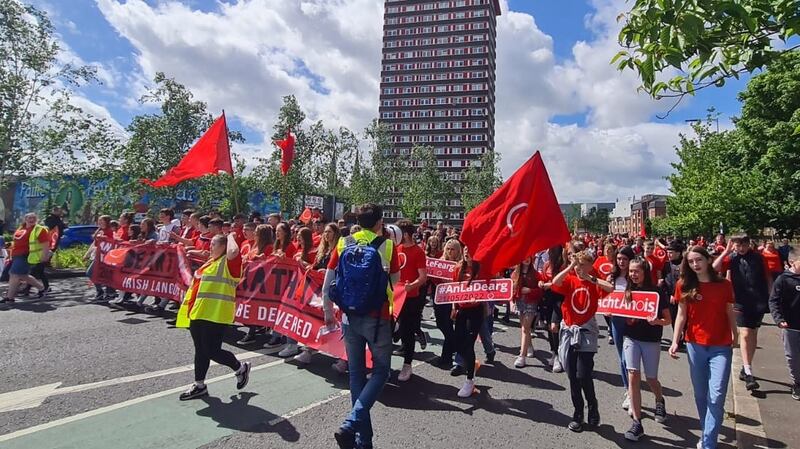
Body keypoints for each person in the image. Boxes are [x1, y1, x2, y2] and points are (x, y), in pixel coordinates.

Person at [322, 204, 399, 449]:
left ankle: (363, 440)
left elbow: (329, 280)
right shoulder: (387, 246)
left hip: (349, 317)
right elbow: (394, 283)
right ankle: (351, 423)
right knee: (381, 372)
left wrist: (327, 310)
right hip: (377, 319)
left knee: (355, 374)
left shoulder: (344, 242)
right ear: (380, 222)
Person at [670, 246, 737, 449]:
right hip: (694, 344)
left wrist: (736, 333)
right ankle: (708, 432)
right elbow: (681, 315)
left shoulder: (724, 285)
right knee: (701, 395)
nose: (695, 264)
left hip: (721, 346)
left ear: (708, 260)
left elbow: (729, 311)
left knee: (716, 396)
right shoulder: (684, 284)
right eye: (691, 262)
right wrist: (675, 341)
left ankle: (708, 443)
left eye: (698, 260)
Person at [175, 233, 251, 400]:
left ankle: (240, 368)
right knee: (200, 351)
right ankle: (199, 385)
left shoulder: (230, 262)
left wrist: (230, 236)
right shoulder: (210, 263)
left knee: (211, 351)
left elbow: (233, 251)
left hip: (217, 314)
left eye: (214, 245)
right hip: (199, 312)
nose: (210, 247)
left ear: (223, 247)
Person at [547, 250, 613, 433]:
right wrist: (569, 266)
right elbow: (555, 282)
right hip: (569, 330)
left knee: (583, 374)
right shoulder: (570, 279)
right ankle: (578, 413)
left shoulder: (594, 280)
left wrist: (591, 278)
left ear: (591, 266)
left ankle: (592, 406)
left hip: (586, 330)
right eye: (578, 264)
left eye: (583, 264)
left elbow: (610, 288)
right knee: (572, 376)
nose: (579, 268)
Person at [713, 235, 772, 391]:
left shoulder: (759, 258)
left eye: (743, 245)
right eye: (737, 245)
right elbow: (714, 267)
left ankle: (747, 367)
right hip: (739, 300)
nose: (741, 248)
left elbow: (768, 278)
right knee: (744, 334)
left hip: (758, 300)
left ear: (748, 244)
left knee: (753, 333)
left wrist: (771, 298)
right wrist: (725, 251)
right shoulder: (731, 258)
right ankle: (748, 372)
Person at [622, 257, 672, 442]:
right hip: (631, 338)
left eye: (637, 271)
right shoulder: (627, 291)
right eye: (631, 271)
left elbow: (668, 319)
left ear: (645, 272)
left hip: (651, 340)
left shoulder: (657, 292)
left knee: (651, 379)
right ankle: (637, 422)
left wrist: (657, 321)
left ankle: (659, 400)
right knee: (633, 375)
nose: (633, 274)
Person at [394, 219, 428, 382]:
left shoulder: (418, 252)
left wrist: (411, 286)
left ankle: (407, 365)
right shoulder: (394, 248)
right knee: (388, 330)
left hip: (410, 299)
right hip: (393, 297)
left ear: (405, 234)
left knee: (407, 333)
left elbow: (423, 277)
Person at [768, 247, 800, 400]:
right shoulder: (784, 279)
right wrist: (779, 319)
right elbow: (774, 301)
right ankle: (797, 383)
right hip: (791, 326)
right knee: (793, 357)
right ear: (792, 261)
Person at [2, 213, 49, 304]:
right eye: (29, 218)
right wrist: (9, 245)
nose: (31, 219)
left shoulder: (39, 229)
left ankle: (9, 297)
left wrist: (45, 255)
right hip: (15, 255)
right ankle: (42, 288)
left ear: (37, 219)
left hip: (26, 255)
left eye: (33, 218)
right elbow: (18, 241)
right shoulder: (21, 228)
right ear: (25, 219)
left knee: (14, 274)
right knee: (22, 275)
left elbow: (45, 244)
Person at [610, 245, 636, 409]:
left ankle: (633, 390)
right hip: (617, 321)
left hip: (633, 321)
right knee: (622, 358)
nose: (621, 262)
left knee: (630, 359)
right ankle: (628, 390)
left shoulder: (635, 277)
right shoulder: (611, 277)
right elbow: (605, 295)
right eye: (619, 259)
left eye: (624, 259)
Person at [432, 239, 462, 370]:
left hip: (452, 299)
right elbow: (433, 278)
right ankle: (456, 346)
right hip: (440, 297)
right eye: (448, 249)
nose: (450, 251)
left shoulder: (460, 264)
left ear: (457, 251)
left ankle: (446, 357)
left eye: (453, 249)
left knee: (448, 326)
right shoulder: (441, 261)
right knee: (440, 324)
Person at [512, 256, 544, 368]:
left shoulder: (535, 274)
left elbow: (540, 290)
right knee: (525, 327)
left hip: (531, 302)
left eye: (529, 257)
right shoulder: (515, 273)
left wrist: (530, 290)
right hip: (520, 302)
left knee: (525, 328)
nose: (526, 259)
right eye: (524, 257)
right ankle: (529, 346)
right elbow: (511, 289)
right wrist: (512, 301)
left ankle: (522, 356)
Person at [539, 245, 566, 372]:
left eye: (552, 250)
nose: (549, 251)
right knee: (549, 326)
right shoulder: (546, 265)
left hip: (559, 298)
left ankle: (559, 354)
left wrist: (552, 285)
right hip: (548, 298)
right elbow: (543, 278)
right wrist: (541, 282)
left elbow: (565, 282)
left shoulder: (563, 265)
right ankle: (554, 352)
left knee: (555, 326)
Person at [86, 215, 116, 302]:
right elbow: (95, 244)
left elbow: (111, 242)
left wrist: (104, 239)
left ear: (107, 222)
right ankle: (102, 291)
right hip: (98, 256)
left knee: (92, 272)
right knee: (92, 273)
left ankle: (108, 292)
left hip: (105, 256)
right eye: (99, 221)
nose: (100, 222)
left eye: (102, 221)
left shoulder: (109, 231)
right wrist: (88, 253)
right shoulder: (100, 230)